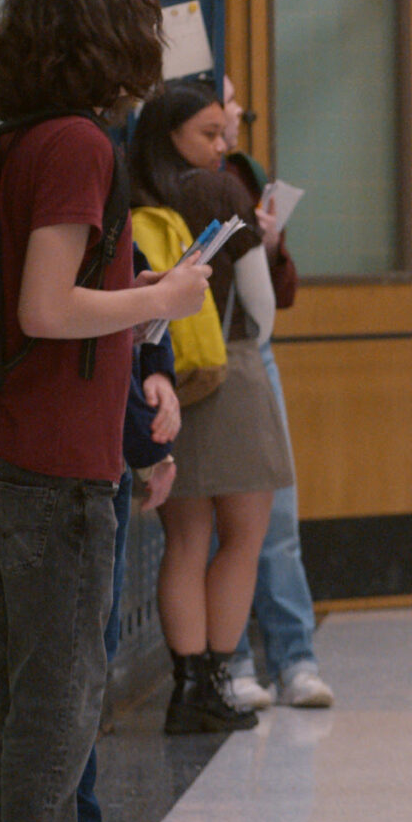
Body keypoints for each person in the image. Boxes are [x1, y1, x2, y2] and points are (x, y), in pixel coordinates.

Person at [0, 0, 209, 822]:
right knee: (56, 691)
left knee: (27, 682)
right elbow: (46, 307)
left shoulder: (25, 137)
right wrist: (162, 300)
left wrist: (137, 295)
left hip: (9, 439)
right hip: (50, 455)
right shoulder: (77, 144)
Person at [0, 268, 186, 822]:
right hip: (58, 443)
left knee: (48, 661)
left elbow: (102, 288)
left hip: (63, 433)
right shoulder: (67, 191)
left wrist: (154, 356)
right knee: (46, 665)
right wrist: (159, 302)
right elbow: (55, 312)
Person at [129, 81, 299, 735]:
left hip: (161, 378)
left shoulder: (131, 192)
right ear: (170, 132)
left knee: (184, 540)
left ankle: (186, 686)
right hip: (232, 373)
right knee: (244, 537)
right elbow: (260, 304)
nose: (220, 146)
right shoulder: (221, 191)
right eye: (208, 133)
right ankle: (218, 683)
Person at [210, 75, 334, 712]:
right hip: (199, 355)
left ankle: (296, 660)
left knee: (277, 517)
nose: (236, 112)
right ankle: (230, 661)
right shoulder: (163, 180)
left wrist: (272, 246)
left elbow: (280, 293)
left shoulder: (244, 172)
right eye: (225, 101)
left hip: (253, 351)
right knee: (215, 521)